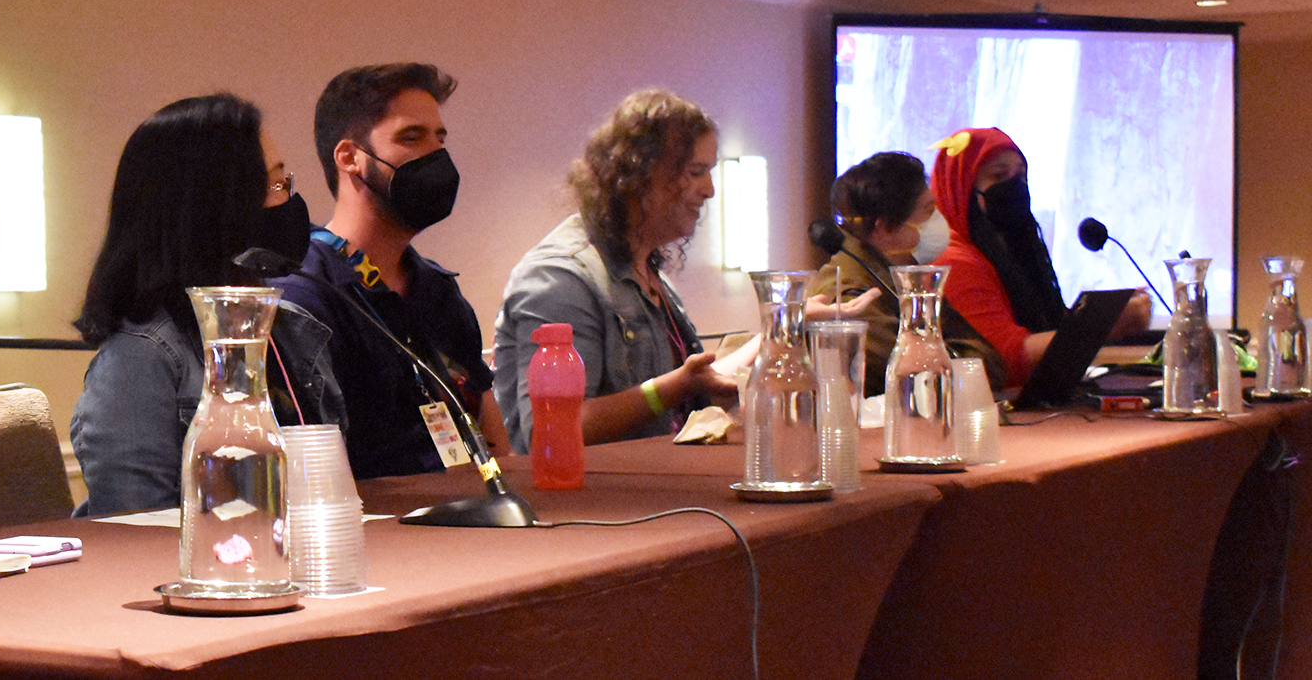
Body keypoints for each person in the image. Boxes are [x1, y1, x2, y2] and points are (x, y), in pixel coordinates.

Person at [496, 89, 874, 453]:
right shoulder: (562, 279)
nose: (709, 190)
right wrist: (670, 389)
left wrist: (787, 324)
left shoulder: (646, 269)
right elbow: (551, 431)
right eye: (695, 172)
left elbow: (698, 382)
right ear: (638, 175)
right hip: (595, 510)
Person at [71, 94, 342, 517]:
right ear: (215, 207)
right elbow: (133, 529)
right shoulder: (143, 359)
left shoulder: (294, 329)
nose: (288, 201)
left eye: (285, 182)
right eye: (273, 186)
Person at [267, 63, 496, 479]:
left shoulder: (438, 291)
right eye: (411, 137)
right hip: (372, 531)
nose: (436, 155)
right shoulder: (304, 295)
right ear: (350, 158)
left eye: (439, 138)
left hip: (469, 518)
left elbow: (495, 446)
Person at [928, 128, 1150, 386]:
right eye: (998, 175)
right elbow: (1005, 358)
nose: (1014, 186)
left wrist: (1106, 309)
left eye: (1021, 176)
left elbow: (1044, 330)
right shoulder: (953, 261)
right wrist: (1102, 324)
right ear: (961, 189)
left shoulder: (1008, 251)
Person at [808, 151, 1008, 396]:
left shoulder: (904, 280)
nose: (938, 221)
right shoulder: (850, 292)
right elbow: (902, 378)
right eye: (928, 211)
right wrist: (946, 355)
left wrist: (942, 357)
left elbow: (990, 366)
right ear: (884, 228)